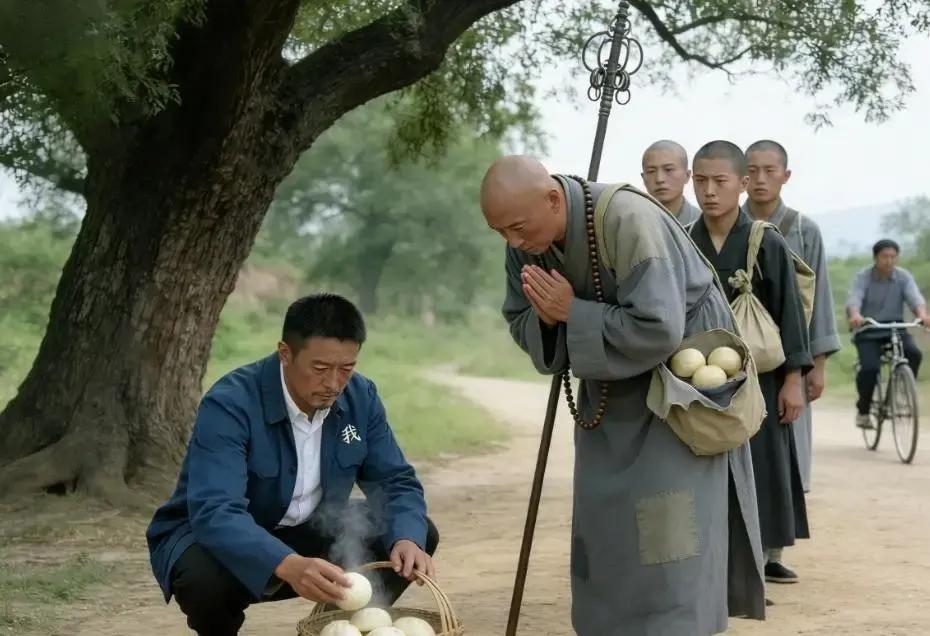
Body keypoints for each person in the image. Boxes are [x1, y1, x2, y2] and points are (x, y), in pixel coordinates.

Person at [480, 155, 765, 635]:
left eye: (517, 228)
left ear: (553, 199)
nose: (512, 242)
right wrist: (547, 319)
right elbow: (520, 317)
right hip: (608, 389)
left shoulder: (627, 220)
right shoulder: (526, 243)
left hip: (678, 390)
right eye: (500, 232)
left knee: (669, 525)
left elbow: (659, 327)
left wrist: (574, 312)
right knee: (607, 524)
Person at [146, 294, 438, 636]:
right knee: (202, 579)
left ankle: (337, 629)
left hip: (307, 529)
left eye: (346, 369)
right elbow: (216, 510)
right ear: (285, 353)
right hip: (223, 536)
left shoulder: (361, 397)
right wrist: (284, 563)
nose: (334, 384)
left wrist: (407, 537)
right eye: (320, 369)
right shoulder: (230, 403)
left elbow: (394, 482)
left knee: (411, 533)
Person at [688, 141, 813, 588]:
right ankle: (712, 567)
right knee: (706, 464)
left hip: (762, 376)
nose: (709, 191)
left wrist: (794, 379)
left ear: (741, 184)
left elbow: (790, 313)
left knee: (763, 465)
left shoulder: (766, 240)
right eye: (700, 181)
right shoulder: (685, 241)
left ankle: (758, 565)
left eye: (719, 181)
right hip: (700, 377)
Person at [743, 139, 841, 494]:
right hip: (741, 351)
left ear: (785, 176)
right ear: (741, 177)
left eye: (769, 171)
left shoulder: (803, 229)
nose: (760, 179)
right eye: (752, 171)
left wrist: (817, 364)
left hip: (790, 353)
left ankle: (786, 510)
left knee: (789, 431)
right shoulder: (729, 224)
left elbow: (820, 296)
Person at [847, 239, 929, 428]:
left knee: (914, 354)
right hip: (869, 329)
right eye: (885, 256)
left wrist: (922, 315)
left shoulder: (903, 277)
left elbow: (915, 298)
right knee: (870, 368)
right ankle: (863, 411)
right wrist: (856, 315)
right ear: (876, 257)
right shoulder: (863, 277)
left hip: (895, 327)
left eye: (893, 257)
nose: (889, 261)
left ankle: (903, 389)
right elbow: (855, 299)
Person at [641, 139, 701, 226]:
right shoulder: (632, 221)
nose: (659, 179)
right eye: (651, 171)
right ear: (643, 178)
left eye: (668, 170)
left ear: (687, 176)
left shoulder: (703, 222)